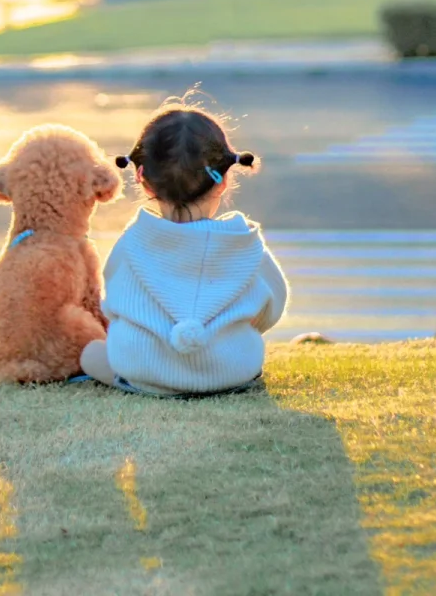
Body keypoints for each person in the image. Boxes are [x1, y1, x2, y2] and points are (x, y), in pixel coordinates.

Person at [81, 97, 288, 395]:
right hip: (232, 373)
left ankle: (144, 377)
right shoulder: (245, 244)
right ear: (223, 180)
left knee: (90, 354)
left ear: (143, 179)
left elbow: (113, 307)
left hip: (144, 374)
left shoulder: (131, 242)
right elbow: (270, 311)